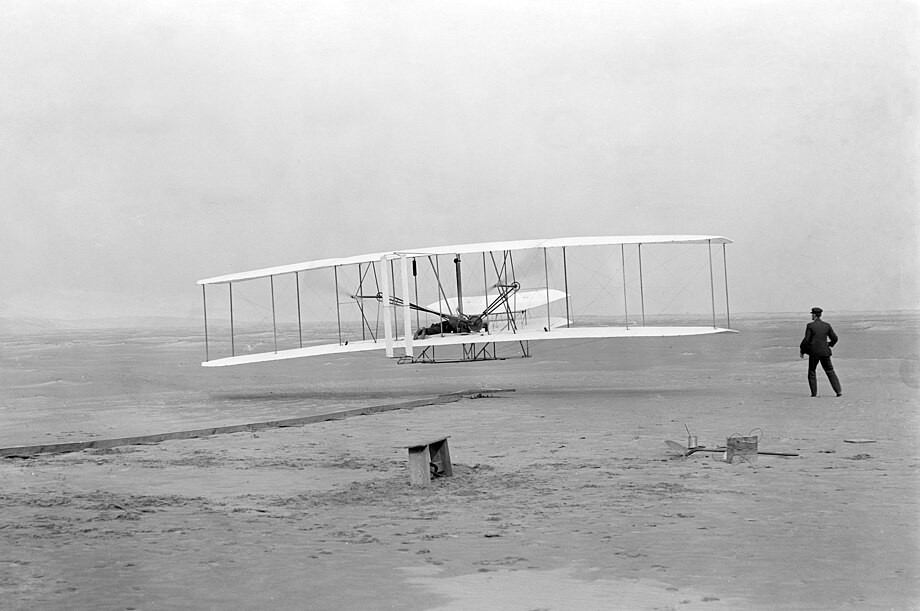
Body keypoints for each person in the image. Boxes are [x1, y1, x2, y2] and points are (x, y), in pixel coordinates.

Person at [799, 307, 842, 397]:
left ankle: (814, 394)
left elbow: (806, 340)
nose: (811, 315)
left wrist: (802, 350)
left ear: (814, 315)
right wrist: (829, 344)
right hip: (825, 352)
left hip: (814, 352)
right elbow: (835, 338)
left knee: (812, 371)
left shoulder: (810, 326)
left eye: (812, 314)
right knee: (830, 371)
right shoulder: (827, 325)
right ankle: (838, 391)